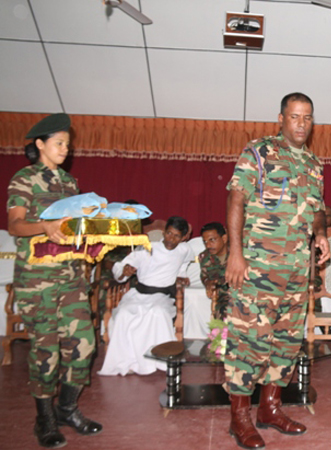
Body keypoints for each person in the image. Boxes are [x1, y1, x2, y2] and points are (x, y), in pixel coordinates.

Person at [224, 92, 330, 449]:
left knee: (286, 341)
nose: (302, 124)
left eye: (307, 117)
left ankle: (270, 408)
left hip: (297, 270)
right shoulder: (259, 152)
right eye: (295, 116)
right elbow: (236, 198)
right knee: (248, 341)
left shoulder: (314, 163)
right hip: (257, 267)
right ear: (281, 119)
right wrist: (235, 254)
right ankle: (239, 416)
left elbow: (317, 209)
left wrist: (321, 233)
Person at [7, 113, 102, 448]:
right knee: (46, 351)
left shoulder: (69, 183)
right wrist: (44, 227)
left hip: (72, 276)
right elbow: (15, 225)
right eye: (59, 143)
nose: (66, 149)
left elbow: (72, 229)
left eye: (67, 144)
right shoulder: (25, 179)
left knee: (84, 344)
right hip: (38, 280)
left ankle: (67, 409)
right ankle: (44, 420)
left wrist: (92, 240)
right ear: (40, 144)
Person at [98, 216, 193, 376]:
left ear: (183, 238)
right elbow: (121, 266)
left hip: (163, 296)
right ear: (163, 232)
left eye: (176, 236)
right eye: (169, 233)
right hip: (138, 294)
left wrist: (181, 275)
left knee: (158, 313)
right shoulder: (147, 248)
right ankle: (127, 361)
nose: (171, 239)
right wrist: (124, 272)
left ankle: (159, 360)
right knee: (124, 314)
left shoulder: (185, 250)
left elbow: (184, 263)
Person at [199, 221, 229, 319]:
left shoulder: (237, 253)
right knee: (222, 310)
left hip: (244, 293)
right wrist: (207, 282)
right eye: (205, 242)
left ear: (224, 238)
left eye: (212, 240)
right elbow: (204, 276)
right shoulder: (205, 257)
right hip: (224, 297)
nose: (208, 245)